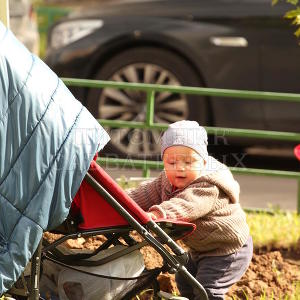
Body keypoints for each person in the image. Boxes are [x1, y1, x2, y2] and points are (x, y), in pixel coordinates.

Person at [127, 120, 253, 300]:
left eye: (188, 161)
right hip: (199, 248)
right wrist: (119, 199)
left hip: (227, 251)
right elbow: (144, 194)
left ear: (203, 162)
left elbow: (185, 205)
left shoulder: (207, 187)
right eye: (172, 162)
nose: (180, 167)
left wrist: (156, 215)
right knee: (185, 282)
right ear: (163, 161)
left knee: (208, 292)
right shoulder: (167, 180)